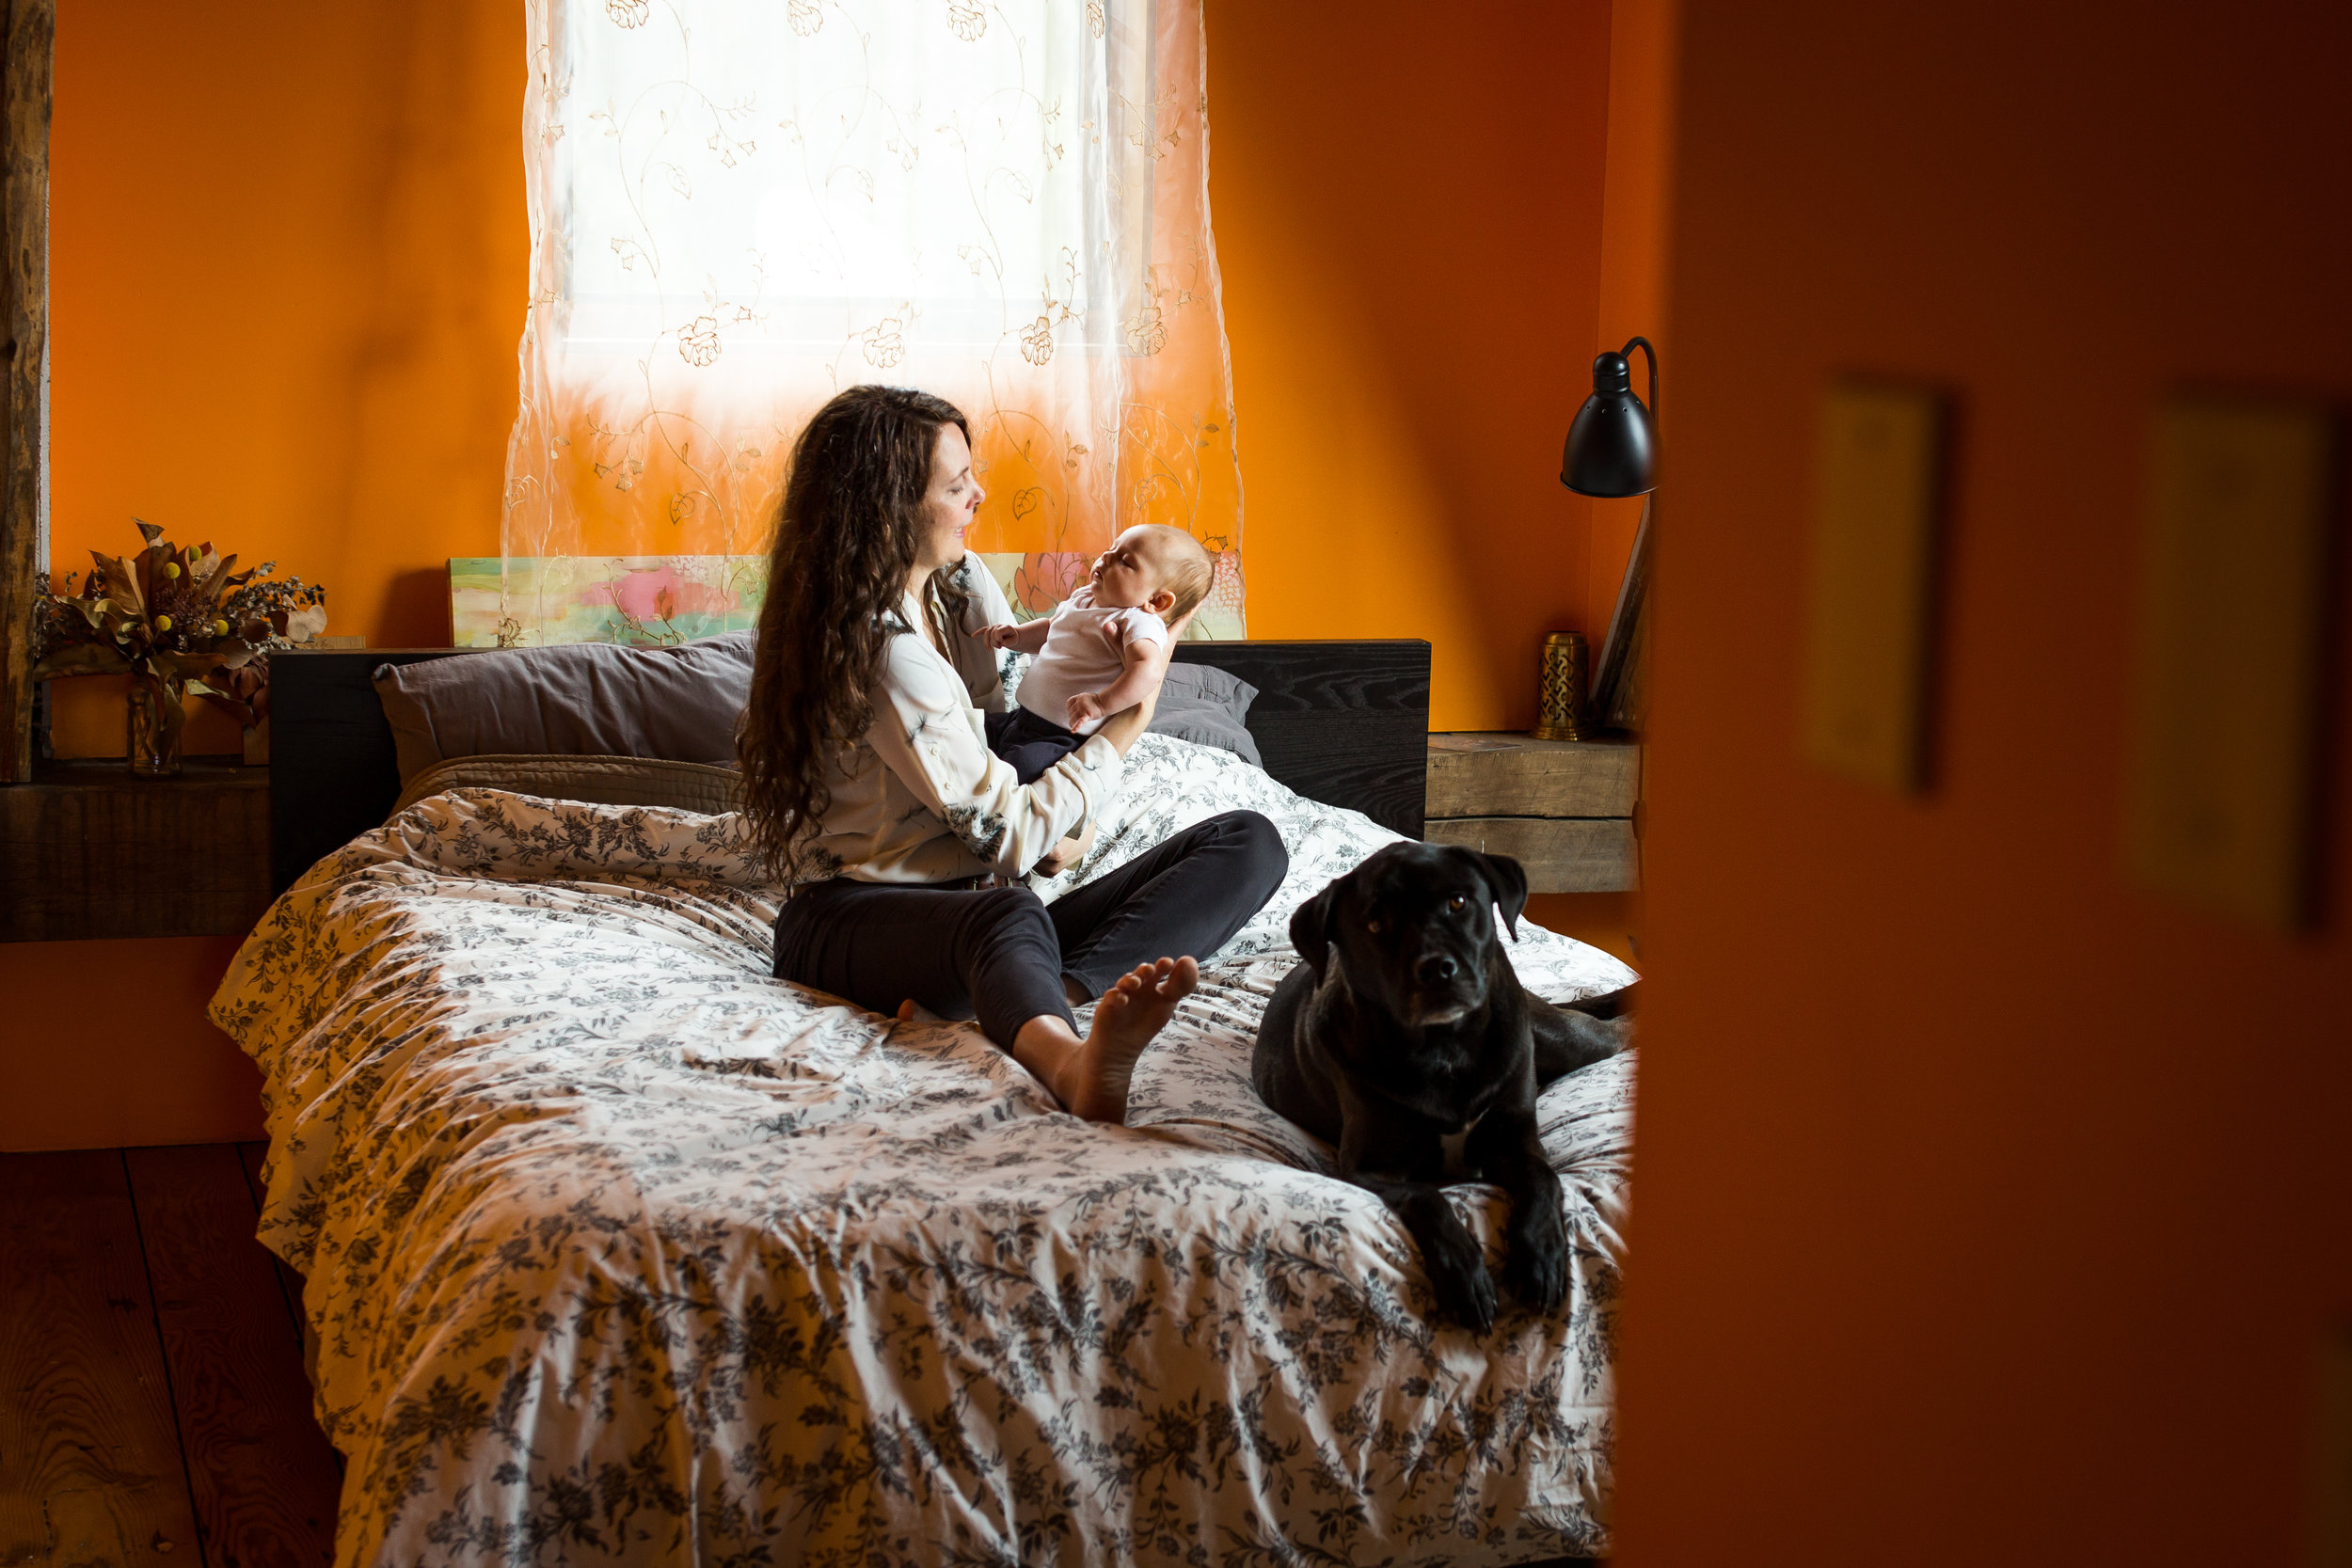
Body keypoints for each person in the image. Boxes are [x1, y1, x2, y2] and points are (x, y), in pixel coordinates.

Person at [738, 385, 1288, 1122]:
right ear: (888, 505)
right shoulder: (881, 652)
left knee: (1249, 842)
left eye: (974, 476)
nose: (979, 495)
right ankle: (1068, 1061)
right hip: (851, 922)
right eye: (957, 484)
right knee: (1009, 914)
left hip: (970, 918)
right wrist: (1124, 729)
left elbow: (1002, 735)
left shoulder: (949, 593)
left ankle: (1035, 996)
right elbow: (1008, 835)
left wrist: (1074, 824)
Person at [975, 524, 1213, 784]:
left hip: (1064, 738)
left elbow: (1149, 669)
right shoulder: (1085, 597)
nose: (1107, 557)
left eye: (1125, 561)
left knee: (1018, 771)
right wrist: (1018, 636)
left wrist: (1101, 703)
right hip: (1021, 718)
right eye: (1111, 549)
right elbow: (1054, 628)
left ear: (1157, 601)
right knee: (968, 728)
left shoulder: (1137, 620)